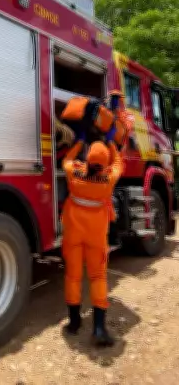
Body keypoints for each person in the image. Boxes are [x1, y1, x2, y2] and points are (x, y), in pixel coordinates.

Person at [60, 96, 125, 347]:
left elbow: (66, 161)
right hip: (96, 237)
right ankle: (98, 328)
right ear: (105, 163)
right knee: (98, 278)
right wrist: (110, 144)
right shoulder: (109, 179)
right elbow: (119, 162)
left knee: (73, 277)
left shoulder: (75, 172)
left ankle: (74, 322)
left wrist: (78, 143)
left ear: (87, 159)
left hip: (73, 236)